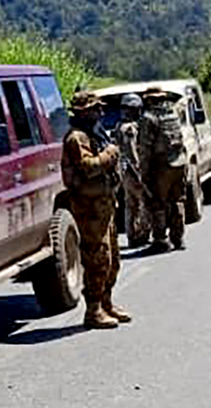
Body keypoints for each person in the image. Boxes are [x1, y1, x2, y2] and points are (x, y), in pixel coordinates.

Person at [61, 90, 130, 329]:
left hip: (104, 204)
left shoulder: (95, 133)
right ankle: (93, 310)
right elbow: (88, 167)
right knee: (96, 260)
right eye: (95, 109)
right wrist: (109, 155)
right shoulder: (77, 138)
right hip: (89, 209)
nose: (100, 112)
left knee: (112, 260)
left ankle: (106, 303)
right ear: (83, 112)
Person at [138, 87, 188, 252]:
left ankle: (160, 240)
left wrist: (143, 173)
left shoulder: (149, 118)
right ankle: (178, 239)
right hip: (179, 163)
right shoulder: (172, 114)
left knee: (157, 203)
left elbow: (145, 149)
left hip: (161, 166)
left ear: (150, 100)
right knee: (177, 201)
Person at [114, 93, 150, 248]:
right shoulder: (129, 128)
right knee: (141, 203)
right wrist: (139, 173)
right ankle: (139, 235)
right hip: (131, 171)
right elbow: (131, 153)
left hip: (125, 171)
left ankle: (133, 235)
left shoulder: (119, 125)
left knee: (131, 203)